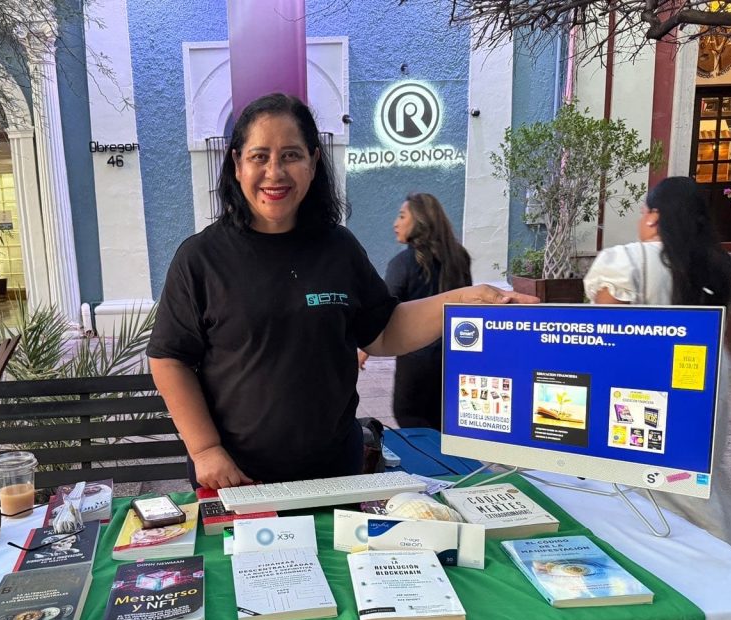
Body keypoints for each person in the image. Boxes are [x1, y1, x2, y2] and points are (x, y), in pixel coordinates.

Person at [147, 93, 536, 490]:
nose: (275, 172)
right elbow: (169, 359)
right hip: (238, 478)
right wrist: (205, 449)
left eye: (291, 155)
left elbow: (384, 331)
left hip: (336, 473)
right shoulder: (201, 258)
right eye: (259, 156)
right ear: (237, 164)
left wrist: (467, 299)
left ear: (314, 162)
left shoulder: (339, 248)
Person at [583, 175, 731, 549]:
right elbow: (730, 341)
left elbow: (604, 341)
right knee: (697, 473)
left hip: (639, 382)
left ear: (653, 215)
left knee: (635, 476)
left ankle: (650, 552)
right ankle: (714, 549)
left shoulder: (624, 262)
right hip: (707, 381)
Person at [358, 194, 472, 429]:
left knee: (410, 419)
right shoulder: (459, 257)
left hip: (416, 361)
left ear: (420, 220)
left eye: (402, 216)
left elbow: (383, 312)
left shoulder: (403, 263)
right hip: (455, 358)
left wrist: (364, 349)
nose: (395, 223)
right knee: (444, 423)